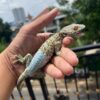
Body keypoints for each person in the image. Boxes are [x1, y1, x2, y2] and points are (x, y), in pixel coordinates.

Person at [0, 8, 78, 100]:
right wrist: (57, 52)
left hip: (33, 63)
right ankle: (21, 81)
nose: (77, 29)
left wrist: (10, 63)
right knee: (38, 69)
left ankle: (22, 73)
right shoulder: (58, 39)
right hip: (35, 63)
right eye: (75, 28)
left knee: (30, 59)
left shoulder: (57, 38)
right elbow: (57, 51)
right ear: (67, 32)